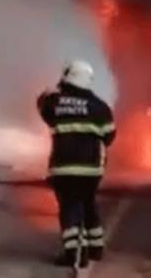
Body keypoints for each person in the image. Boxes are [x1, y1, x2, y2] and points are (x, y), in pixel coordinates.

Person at [37, 60, 116, 269]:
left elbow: (44, 111)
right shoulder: (100, 107)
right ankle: (96, 249)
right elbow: (109, 137)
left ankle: (73, 254)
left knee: (69, 207)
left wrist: (48, 94)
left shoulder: (54, 102)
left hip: (63, 168)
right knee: (89, 203)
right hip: (91, 170)